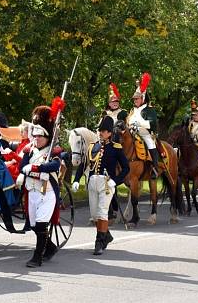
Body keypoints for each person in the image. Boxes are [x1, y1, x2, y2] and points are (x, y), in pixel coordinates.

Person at [72, 116, 130, 255]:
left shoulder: (116, 148)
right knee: (94, 214)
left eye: (104, 131)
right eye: (99, 130)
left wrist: (115, 181)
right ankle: (106, 235)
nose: (100, 133)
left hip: (106, 184)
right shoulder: (93, 146)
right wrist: (76, 179)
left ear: (110, 133)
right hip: (92, 182)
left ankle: (99, 242)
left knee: (102, 212)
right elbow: (84, 164)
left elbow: (126, 168)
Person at [17, 124, 62, 267]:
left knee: (42, 225)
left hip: (47, 192)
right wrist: (34, 171)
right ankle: (50, 247)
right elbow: (22, 167)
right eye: (35, 136)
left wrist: (37, 168)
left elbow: (54, 166)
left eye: (39, 136)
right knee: (34, 225)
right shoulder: (29, 150)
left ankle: (37, 257)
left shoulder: (53, 150)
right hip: (32, 191)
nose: (36, 138)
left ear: (46, 138)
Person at [126, 73, 160, 177]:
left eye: (137, 99)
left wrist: (139, 124)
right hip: (132, 132)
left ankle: (155, 168)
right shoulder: (132, 110)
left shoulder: (149, 109)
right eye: (134, 99)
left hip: (145, 133)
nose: (135, 100)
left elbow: (153, 123)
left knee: (150, 143)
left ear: (143, 98)